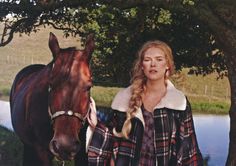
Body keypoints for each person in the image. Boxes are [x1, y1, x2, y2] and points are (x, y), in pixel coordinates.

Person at [86, 40, 203, 166]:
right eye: (147, 60)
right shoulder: (124, 98)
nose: (153, 64)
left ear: (167, 65)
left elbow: (189, 148)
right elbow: (110, 139)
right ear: (142, 65)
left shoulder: (179, 103)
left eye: (159, 59)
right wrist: (96, 125)